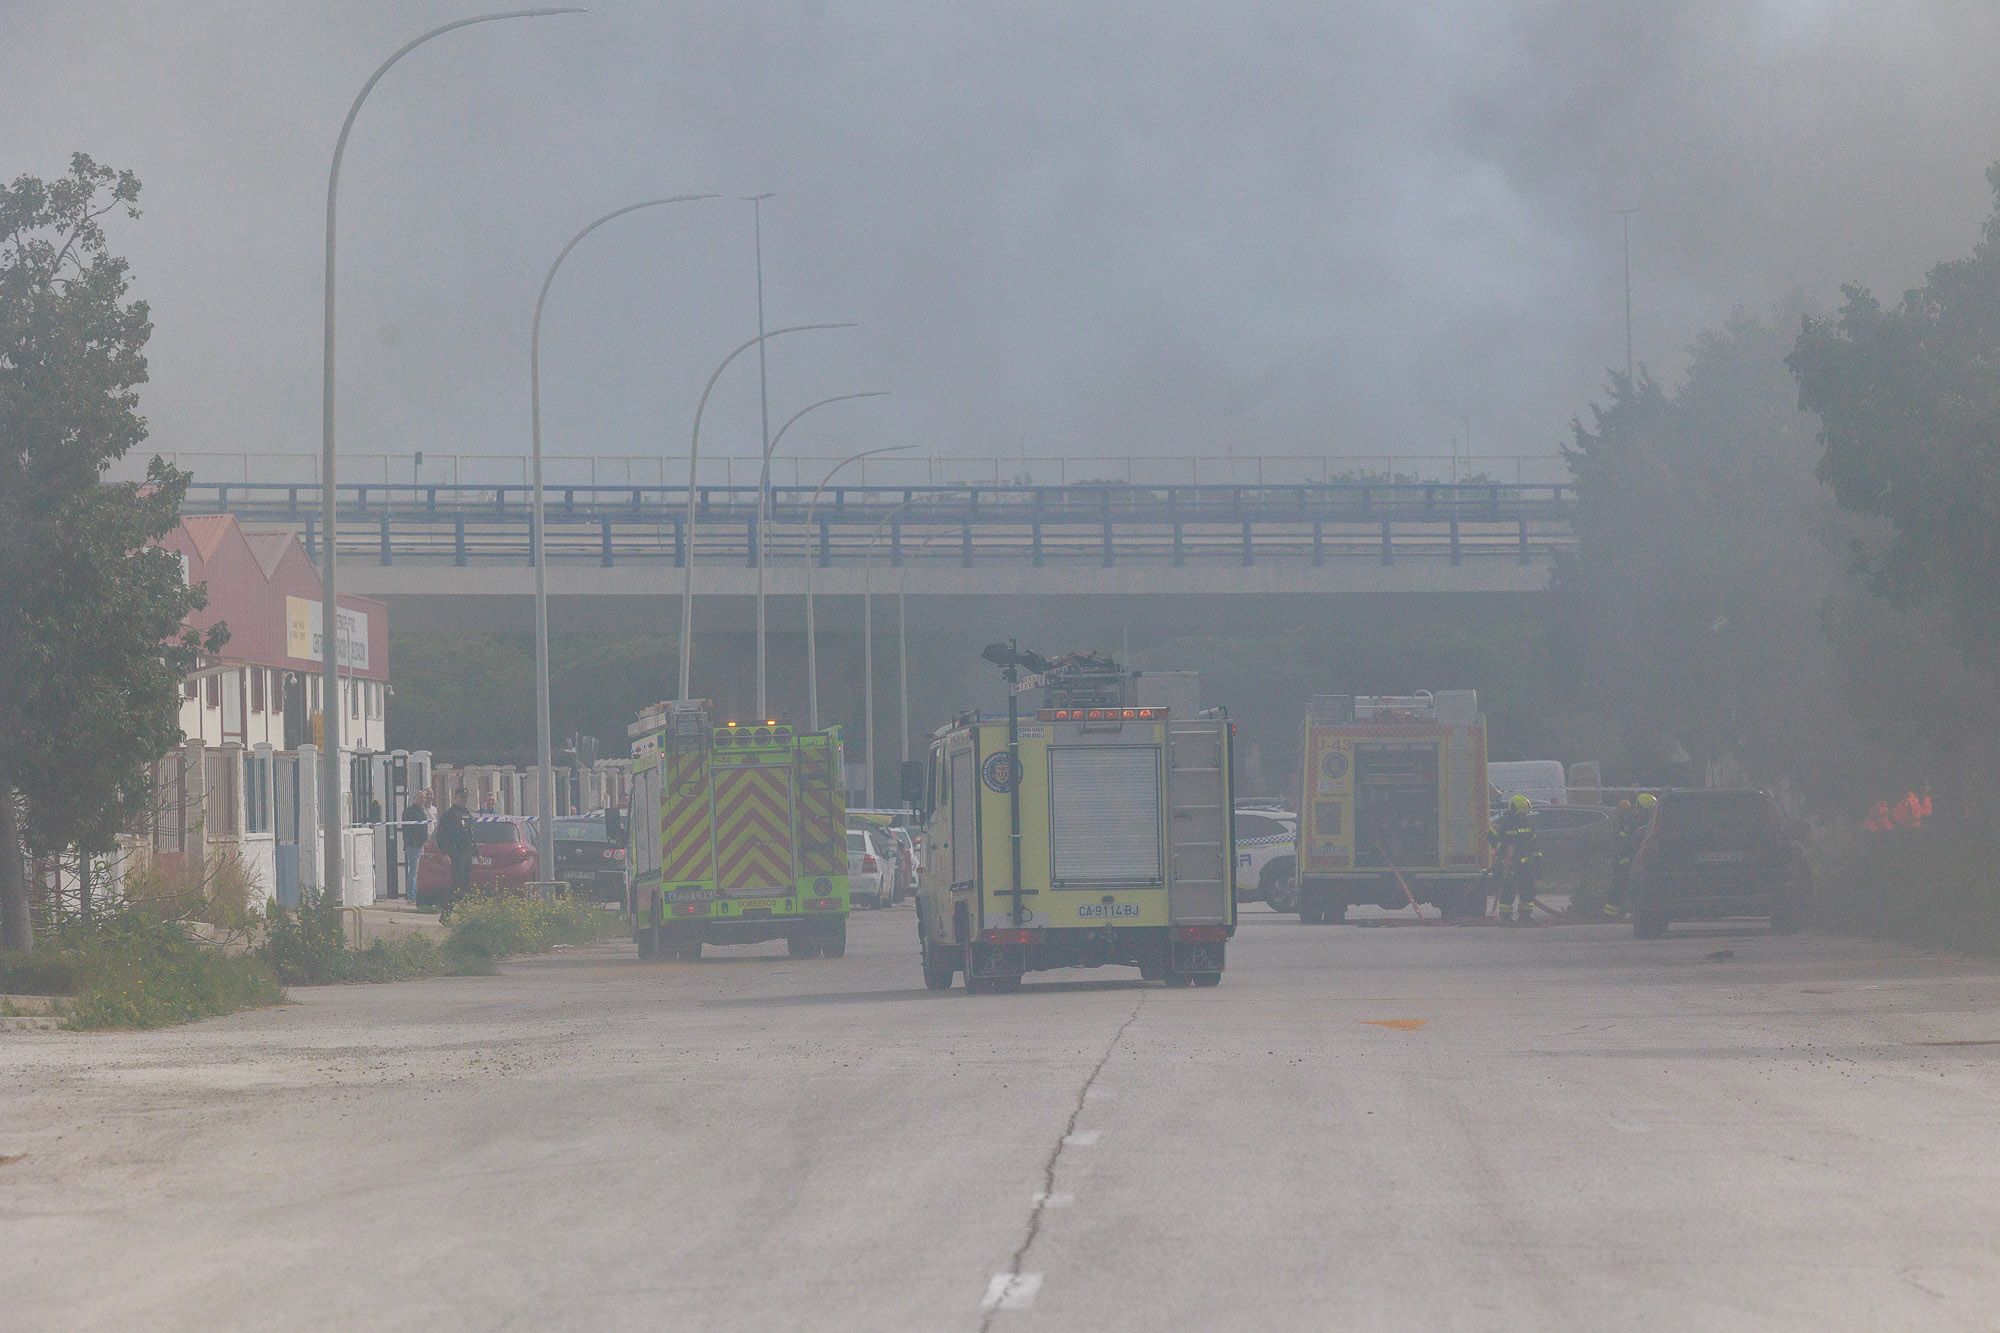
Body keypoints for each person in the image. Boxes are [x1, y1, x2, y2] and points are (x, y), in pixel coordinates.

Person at [1488, 793, 1540, 922]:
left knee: (1528, 889)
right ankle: (1506, 916)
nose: (1524, 815)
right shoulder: (1501, 823)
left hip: (1525, 863)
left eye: (1525, 813)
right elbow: (1490, 839)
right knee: (1508, 890)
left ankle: (1525, 915)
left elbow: (1534, 842)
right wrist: (1502, 849)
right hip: (1508, 863)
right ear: (1515, 810)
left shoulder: (1528, 823)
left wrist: (1538, 857)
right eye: (1522, 813)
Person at [437, 790, 475, 919]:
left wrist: (477, 853)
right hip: (455, 854)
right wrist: (444, 853)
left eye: (466, 797)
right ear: (455, 797)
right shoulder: (449, 815)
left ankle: (464, 916)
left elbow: (470, 835)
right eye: (461, 797)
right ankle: (446, 914)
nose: (464, 800)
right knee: (456, 886)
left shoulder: (467, 814)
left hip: (467, 854)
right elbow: (441, 836)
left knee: (465, 886)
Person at [399, 792, 430, 900]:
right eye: (421, 797)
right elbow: (407, 830)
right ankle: (411, 895)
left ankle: (416, 893)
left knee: (418, 871)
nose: (423, 799)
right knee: (414, 871)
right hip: (413, 846)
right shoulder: (409, 811)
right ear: (415, 798)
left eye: (424, 798)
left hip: (421, 845)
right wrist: (411, 843)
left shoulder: (422, 812)